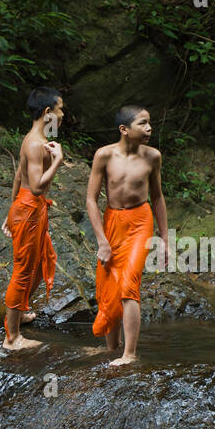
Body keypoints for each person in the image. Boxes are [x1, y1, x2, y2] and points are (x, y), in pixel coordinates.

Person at [86, 104, 168, 365]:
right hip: (112, 221)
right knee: (109, 285)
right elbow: (90, 199)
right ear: (124, 129)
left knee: (128, 283)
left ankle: (130, 354)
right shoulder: (104, 156)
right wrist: (102, 241)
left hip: (140, 221)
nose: (149, 128)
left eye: (149, 123)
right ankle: (112, 349)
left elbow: (157, 197)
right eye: (143, 123)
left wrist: (165, 239)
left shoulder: (152, 156)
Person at [1, 86, 64, 351]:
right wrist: (58, 161)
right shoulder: (37, 143)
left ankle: (21, 311)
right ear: (48, 111)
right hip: (30, 208)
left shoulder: (33, 137)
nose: (63, 115)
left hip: (27, 207)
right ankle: (12, 338)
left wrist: (10, 211)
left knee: (38, 265)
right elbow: (37, 186)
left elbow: (19, 176)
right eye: (60, 110)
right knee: (23, 271)